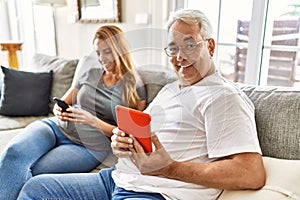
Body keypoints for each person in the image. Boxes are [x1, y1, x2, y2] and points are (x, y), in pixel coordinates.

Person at [16, 9, 266, 200]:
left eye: (190, 44)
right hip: (116, 179)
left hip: (152, 193)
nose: (180, 57)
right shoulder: (171, 89)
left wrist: (170, 169)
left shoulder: (223, 96)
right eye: (173, 48)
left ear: (209, 46)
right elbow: (137, 134)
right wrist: (119, 141)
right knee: (35, 188)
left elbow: (251, 173)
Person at [0, 25, 147, 200]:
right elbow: (65, 100)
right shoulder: (90, 73)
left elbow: (130, 135)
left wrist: (93, 121)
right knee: (13, 155)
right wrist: (59, 109)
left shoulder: (134, 86)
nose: (101, 59)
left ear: (120, 50)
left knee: (35, 172)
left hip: (87, 145)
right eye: (97, 53)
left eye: (106, 52)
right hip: (54, 127)